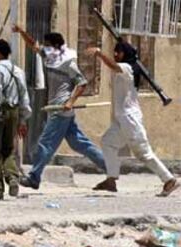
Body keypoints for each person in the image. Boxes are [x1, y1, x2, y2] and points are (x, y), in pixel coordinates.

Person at [12, 26, 106, 190]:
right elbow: (33, 45)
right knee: (79, 144)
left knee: (45, 144)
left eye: (48, 45)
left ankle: (34, 177)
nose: (45, 47)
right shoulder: (50, 56)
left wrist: (70, 101)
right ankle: (110, 168)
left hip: (61, 110)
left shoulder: (67, 62)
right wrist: (21, 32)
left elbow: (82, 83)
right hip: (59, 109)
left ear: (56, 46)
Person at [86, 42, 180, 196]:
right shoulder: (126, 67)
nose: (116, 55)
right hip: (121, 119)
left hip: (130, 119)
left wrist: (99, 53)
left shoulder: (128, 68)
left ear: (125, 54)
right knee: (108, 142)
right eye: (114, 52)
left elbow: (114, 66)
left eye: (119, 52)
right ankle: (111, 180)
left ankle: (169, 180)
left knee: (143, 153)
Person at [0, 39, 32, 201]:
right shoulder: (18, 71)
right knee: (8, 149)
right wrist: (23, 120)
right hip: (15, 112)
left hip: (0, 114)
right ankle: (12, 178)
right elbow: (24, 96)